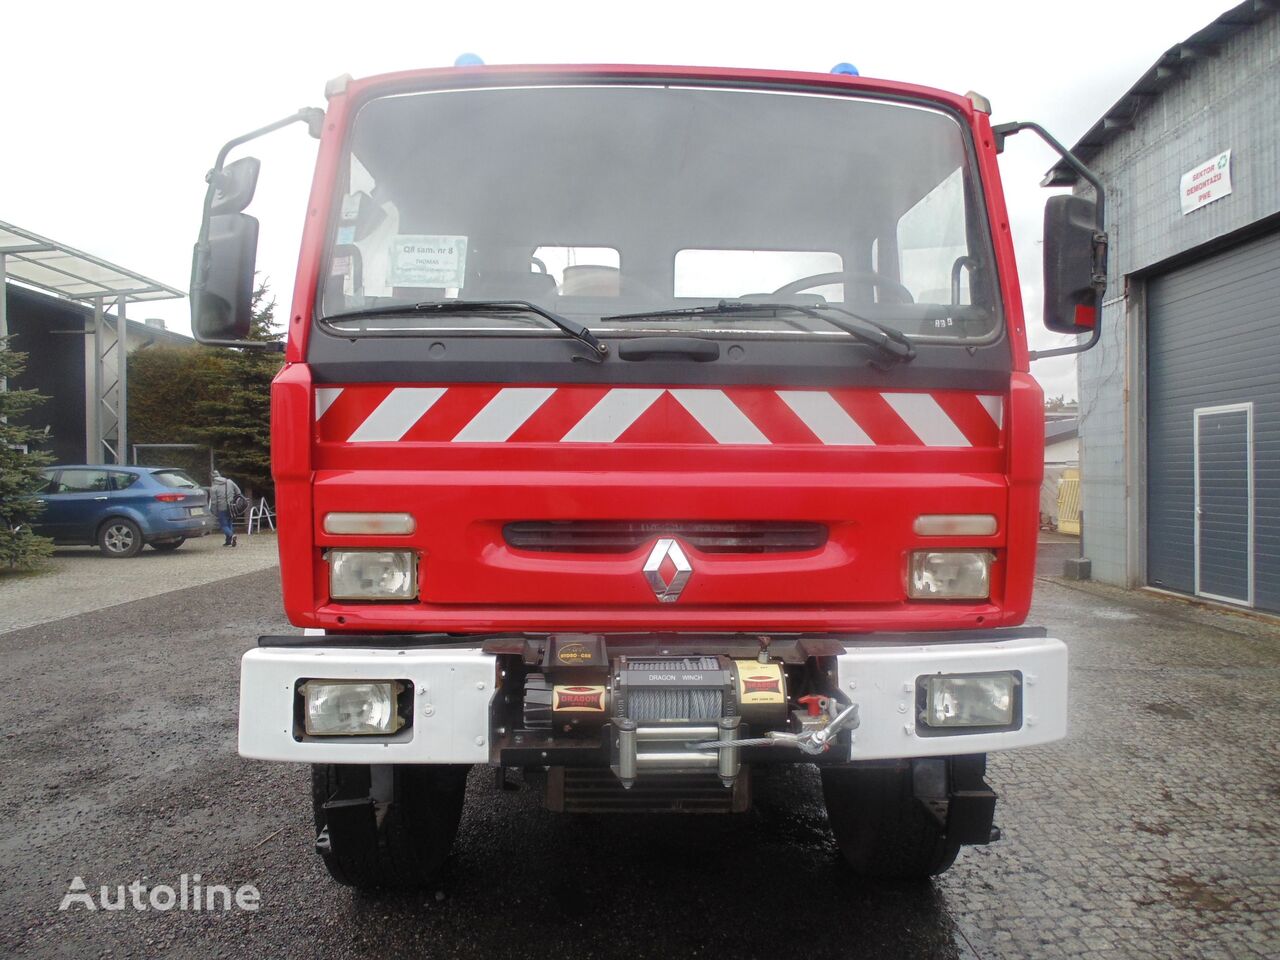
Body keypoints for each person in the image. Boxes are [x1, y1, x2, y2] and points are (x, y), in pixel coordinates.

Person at [209, 470, 242, 547]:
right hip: (231, 507)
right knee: (229, 523)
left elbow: (214, 502)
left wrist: (214, 512)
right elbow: (238, 491)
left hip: (221, 508)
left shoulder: (213, 488)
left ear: (212, 478)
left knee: (223, 525)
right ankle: (228, 541)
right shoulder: (229, 482)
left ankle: (232, 535)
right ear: (219, 475)